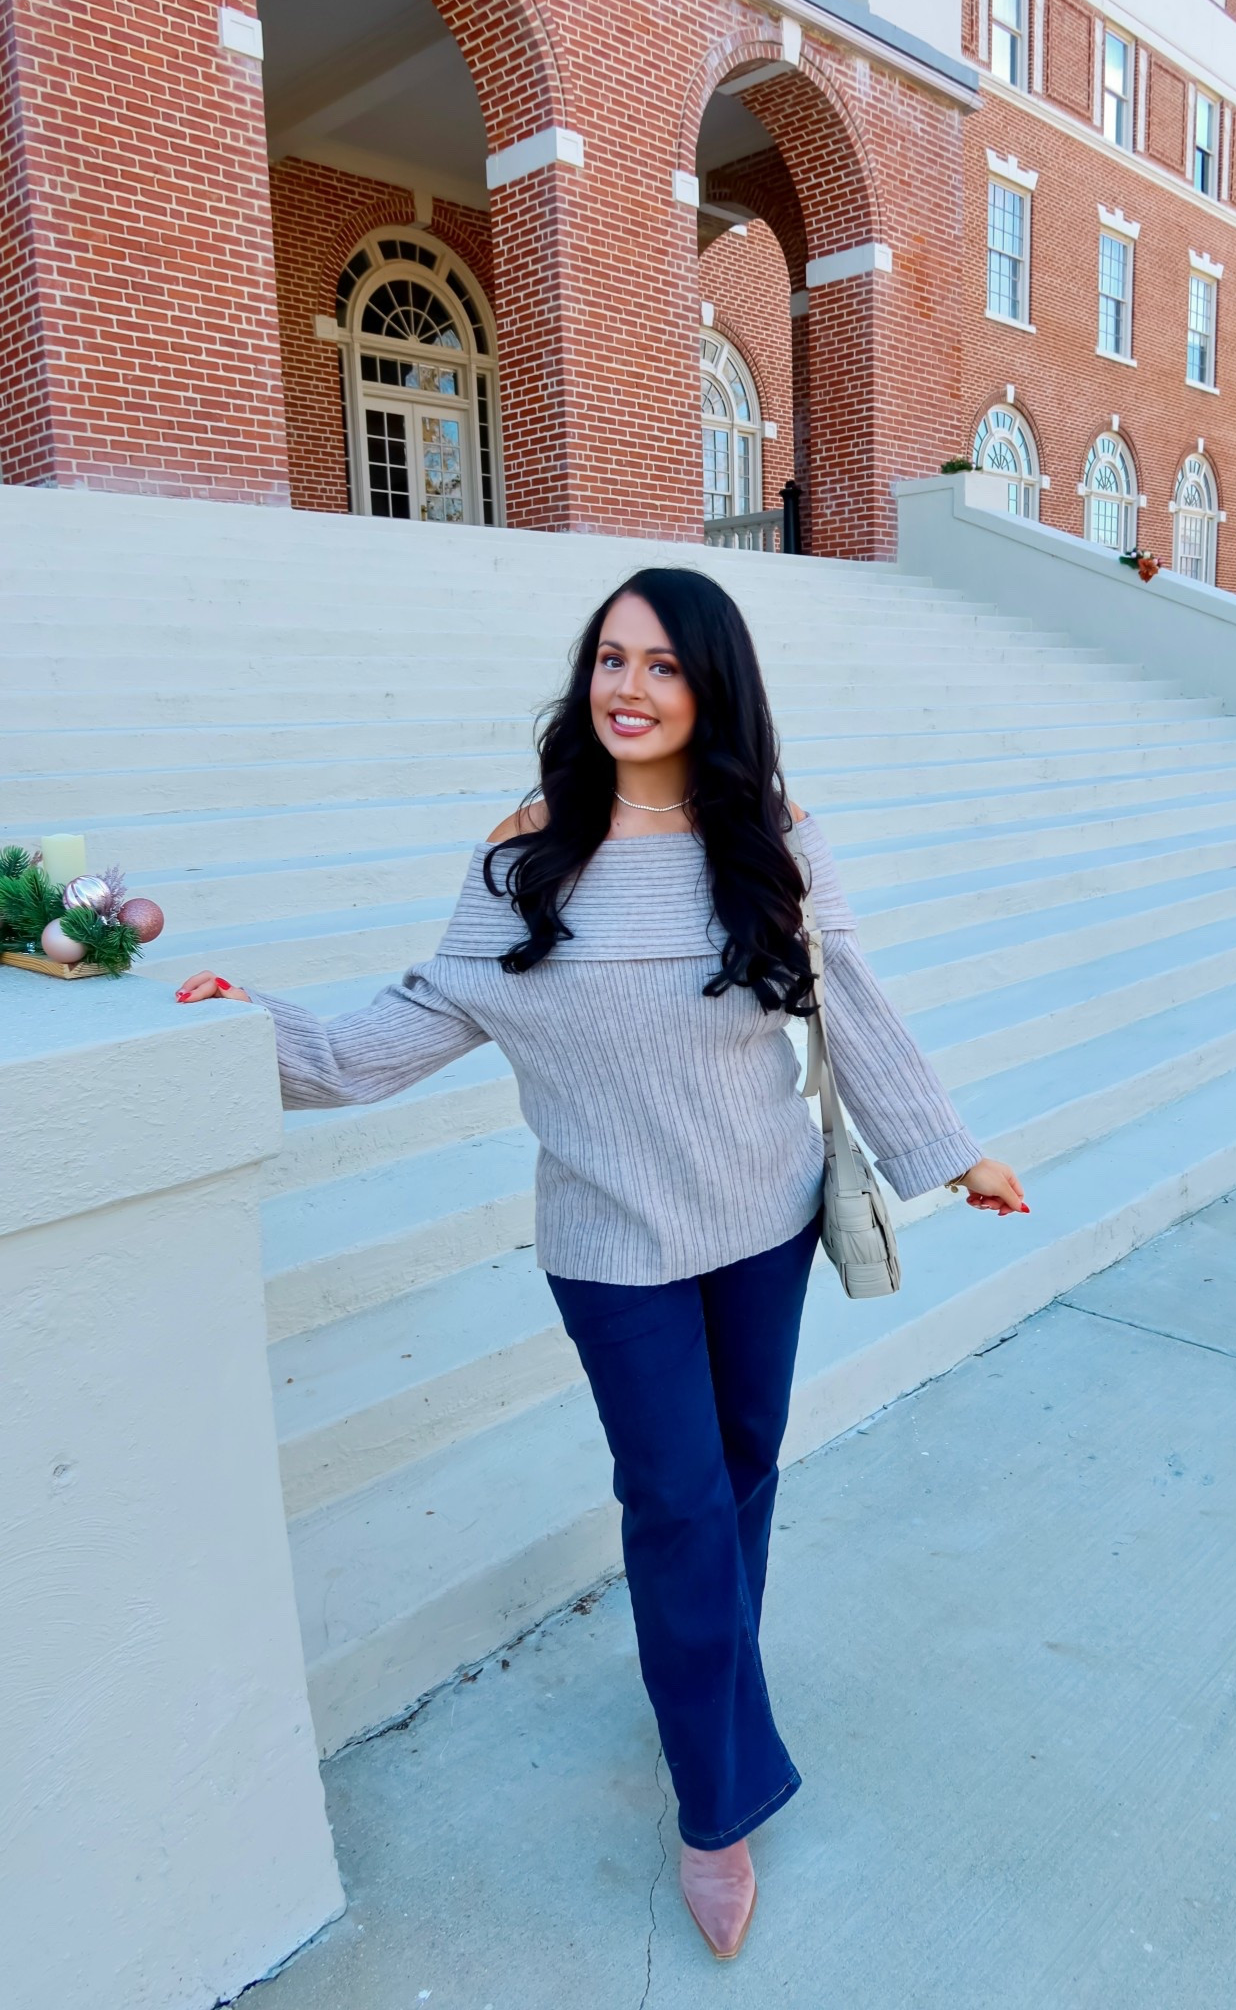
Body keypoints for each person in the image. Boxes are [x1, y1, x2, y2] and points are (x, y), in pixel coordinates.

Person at [178, 568, 1027, 1961]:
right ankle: (715, 1804)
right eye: (608, 661)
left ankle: (706, 1683)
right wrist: (244, 1024)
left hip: (763, 1229)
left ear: (713, 688)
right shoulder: (527, 850)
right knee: (679, 1505)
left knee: (742, 1477)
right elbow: (397, 1029)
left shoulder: (772, 837)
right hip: (610, 1252)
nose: (627, 689)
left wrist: (949, 1152)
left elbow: (849, 1004)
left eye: (662, 666)